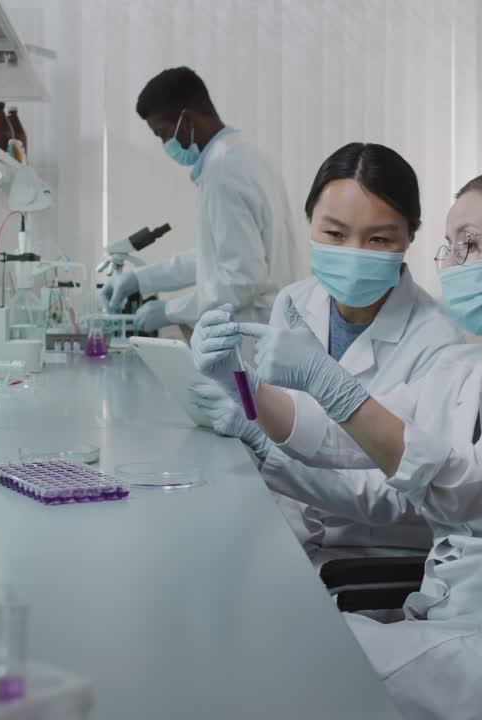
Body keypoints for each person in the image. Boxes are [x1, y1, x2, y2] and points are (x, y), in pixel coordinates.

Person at [192, 168, 482, 719]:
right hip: (462, 622)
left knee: (301, 663)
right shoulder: (465, 370)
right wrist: (244, 387)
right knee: (274, 634)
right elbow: (348, 444)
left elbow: (470, 485)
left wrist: (328, 382)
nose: (449, 263)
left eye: (468, 244)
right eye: (449, 246)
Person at [187, 142, 464, 565]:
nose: (354, 252)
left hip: (361, 554)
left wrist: (263, 442)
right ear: (309, 222)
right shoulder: (295, 302)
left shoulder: (438, 342)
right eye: (334, 234)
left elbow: (394, 494)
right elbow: (265, 407)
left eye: (378, 238)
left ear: (410, 235)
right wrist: (236, 379)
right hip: (282, 530)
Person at [102, 67, 301, 334]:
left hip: (250, 338)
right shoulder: (247, 158)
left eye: (163, 134)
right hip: (268, 329)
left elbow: (242, 279)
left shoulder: (223, 172)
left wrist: (169, 311)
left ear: (186, 121)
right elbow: (217, 258)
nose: (165, 144)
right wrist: (141, 279)